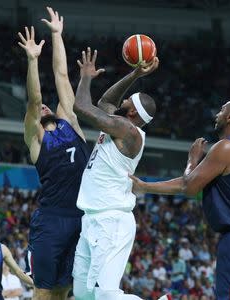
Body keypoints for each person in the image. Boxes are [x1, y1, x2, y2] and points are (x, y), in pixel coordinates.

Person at [130, 100, 230, 300]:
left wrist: (192, 160)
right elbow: (187, 182)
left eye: (222, 110)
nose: (217, 114)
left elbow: (188, 187)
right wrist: (144, 187)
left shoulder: (225, 147)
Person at [72, 47, 159, 300]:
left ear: (132, 113)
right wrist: (135, 74)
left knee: (106, 295)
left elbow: (81, 106)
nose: (124, 100)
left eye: (129, 100)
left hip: (111, 221)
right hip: (93, 219)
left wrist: (86, 76)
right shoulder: (120, 125)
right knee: (82, 293)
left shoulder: (126, 130)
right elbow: (105, 103)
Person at [17, 7, 90, 300]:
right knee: (44, 292)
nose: (46, 105)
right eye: (42, 109)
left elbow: (61, 77)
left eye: (50, 105)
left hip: (79, 219)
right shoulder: (36, 140)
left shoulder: (71, 124)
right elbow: (34, 100)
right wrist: (32, 61)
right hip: (49, 220)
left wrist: (57, 35)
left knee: (63, 291)